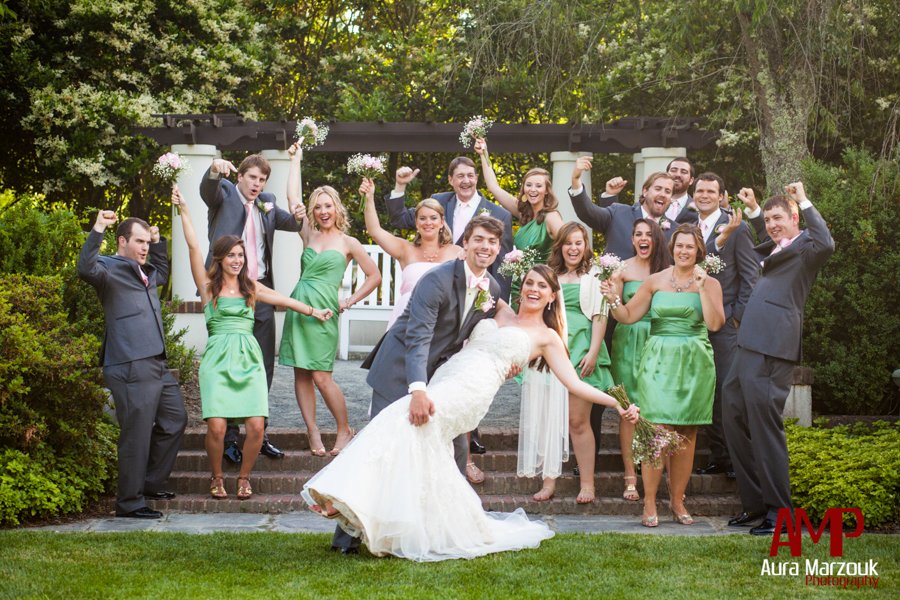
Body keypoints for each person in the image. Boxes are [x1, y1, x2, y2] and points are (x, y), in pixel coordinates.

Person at [304, 265, 640, 561]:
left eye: (541, 286)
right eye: (529, 283)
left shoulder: (548, 337)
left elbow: (575, 384)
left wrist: (617, 402)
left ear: (553, 296)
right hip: (447, 376)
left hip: (471, 391)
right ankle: (389, 517)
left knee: (401, 421)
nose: (533, 290)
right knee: (413, 440)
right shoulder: (498, 309)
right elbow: (459, 324)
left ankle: (344, 500)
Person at [330, 214, 508, 555]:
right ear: (465, 244)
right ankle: (346, 538)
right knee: (379, 452)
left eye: (492, 242)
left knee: (455, 448)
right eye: (479, 240)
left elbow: (470, 336)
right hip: (399, 369)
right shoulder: (437, 280)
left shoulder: (492, 289)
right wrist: (417, 389)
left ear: (498, 249)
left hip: (438, 378)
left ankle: (453, 530)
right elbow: (417, 337)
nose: (485, 247)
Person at [172, 188, 331, 500]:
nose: (237, 260)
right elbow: (193, 247)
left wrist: (313, 310)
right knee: (217, 427)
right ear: (220, 258)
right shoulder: (209, 288)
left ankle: (244, 477)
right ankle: (217, 477)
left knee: (256, 426)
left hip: (249, 360)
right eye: (231, 255)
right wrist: (184, 209)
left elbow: (283, 299)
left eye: (241, 256)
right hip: (218, 361)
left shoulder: (251, 288)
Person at [719, 182, 834, 536]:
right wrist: (755, 212)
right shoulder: (775, 245)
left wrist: (802, 198)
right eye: (768, 219)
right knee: (732, 415)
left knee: (765, 428)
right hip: (747, 344)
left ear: (795, 217)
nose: (772, 224)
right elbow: (764, 233)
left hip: (772, 347)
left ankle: (780, 512)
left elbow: (826, 242)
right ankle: (754, 506)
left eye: (778, 218)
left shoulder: (808, 250)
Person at [602, 224, 725, 527]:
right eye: (679, 246)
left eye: (690, 247)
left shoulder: (710, 284)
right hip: (657, 359)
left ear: (699, 251)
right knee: (655, 430)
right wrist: (613, 300)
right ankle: (649, 501)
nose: (684, 251)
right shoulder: (655, 281)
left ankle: (678, 500)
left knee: (687, 433)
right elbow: (629, 316)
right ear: (672, 249)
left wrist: (700, 287)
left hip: (694, 361)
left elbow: (714, 324)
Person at [77, 210, 187, 518]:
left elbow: (162, 272)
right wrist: (98, 228)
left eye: (146, 243)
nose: (144, 247)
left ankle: (149, 483)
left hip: (156, 363)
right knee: (136, 434)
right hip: (129, 362)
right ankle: (129, 503)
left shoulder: (146, 271)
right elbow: (84, 268)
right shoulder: (107, 269)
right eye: (138, 242)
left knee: (175, 419)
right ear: (122, 241)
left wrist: (159, 241)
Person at [200, 153, 303, 463]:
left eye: (262, 180)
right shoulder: (225, 194)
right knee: (228, 366)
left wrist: (298, 214)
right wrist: (214, 170)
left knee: (262, 365)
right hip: (227, 292)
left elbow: (291, 222)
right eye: (252, 178)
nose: (257, 184)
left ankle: (259, 432)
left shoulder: (268, 202)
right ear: (240, 176)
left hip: (258, 289)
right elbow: (208, 190)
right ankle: (230, 438)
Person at [281, 143, 382, 458]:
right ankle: (312, 430)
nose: (323, 211)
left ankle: (343, 428)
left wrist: (347, 302)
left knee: (322, 376)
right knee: (300, 372)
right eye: (318, 207)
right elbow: (292, 199)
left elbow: (375, 276)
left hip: (325, 311)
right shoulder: (308, 233)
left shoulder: (348, 242)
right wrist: (295, 159)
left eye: (328, 206)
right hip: (299, 306)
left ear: (337, 208)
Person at [690, 173, 758, 479]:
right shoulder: (690, 229)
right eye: (699, 190)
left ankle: (733, 461)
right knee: (704, 390)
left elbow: (750, 276)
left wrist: (737, 317)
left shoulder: (738, 228)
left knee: (725, 392)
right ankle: (718, 455)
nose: (704, 195)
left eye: (710, 191)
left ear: (721, 196)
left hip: (726, 324)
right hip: (694, 324)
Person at [541, 222, 615, 504]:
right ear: (560, 245)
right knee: (551, 420)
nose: (573, 248)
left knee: (577, 421)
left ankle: (588, 484)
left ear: (586, 247)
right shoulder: (549, 275)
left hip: (582, 345)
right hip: (553, 346)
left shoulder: (595, 275)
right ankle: (548, 482)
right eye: (568, 243)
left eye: (579, 243)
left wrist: (594, 351)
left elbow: (600, 315)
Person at [385, 159, 514, 301]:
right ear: (450, 180)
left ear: (476, 179)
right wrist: (400, 186)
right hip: (436, 291)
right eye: (460, 176)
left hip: (474, 295)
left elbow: (502, 269)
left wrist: (497, 307)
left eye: (470, 176)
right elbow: (399, 219)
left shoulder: (500, 215)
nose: (466, 180)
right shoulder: (438, 202)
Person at [609, 218, 671, 503]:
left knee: (658, 408)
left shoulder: (667, 271)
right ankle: (629, 476)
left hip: (659, 341)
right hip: (628, 341)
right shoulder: (622, 269)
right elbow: (615, 312)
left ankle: (659, 472)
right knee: (628, 409)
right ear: (632, 239)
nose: (643, 239)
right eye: (638, 234)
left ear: (657, 239)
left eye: (649, 234)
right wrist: (610, 297)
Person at [473, 136, 563, 308]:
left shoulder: (551, 217)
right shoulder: (524, 213)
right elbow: (493, 187)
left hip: (541, 286)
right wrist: (483, 153)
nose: (533, 190)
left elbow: (570, 244)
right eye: (529, 185)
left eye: (538, 186)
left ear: (546, 191)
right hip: (519, 286)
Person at [359, 178, 461, 329]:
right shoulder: (405, 249)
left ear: (441, 222)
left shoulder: (456, 252)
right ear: (416, 223)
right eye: (422, 218)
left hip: (442, 319)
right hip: (406, 318)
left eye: (433, 218)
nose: (428, 222)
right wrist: (369, 198)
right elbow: (374, 231)